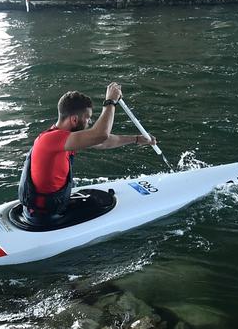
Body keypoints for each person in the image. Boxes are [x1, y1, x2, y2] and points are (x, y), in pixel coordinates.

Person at [18, 82, 157, 227]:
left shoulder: (63, 138)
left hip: (41, 210)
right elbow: (100, 135)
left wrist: (136, 139)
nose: (89, 122)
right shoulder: (52, 139)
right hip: (46, 216)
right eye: (88, 118)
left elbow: (104, 141)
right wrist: (110, 102)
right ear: (74, 119)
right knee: (104, 203)